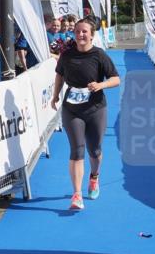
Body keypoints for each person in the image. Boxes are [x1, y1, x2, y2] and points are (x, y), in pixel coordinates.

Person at [51, 17, 121, 211]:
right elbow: (60, 75)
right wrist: (55, 95)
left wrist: (101, 85)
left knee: (95, 150)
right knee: (77, 150)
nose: (81, 35)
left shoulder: (99, 55)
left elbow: (116, 79)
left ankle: (94, 177)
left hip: (95, 108)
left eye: (84, 32)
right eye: (78, 31)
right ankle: (77, 194)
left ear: (92, 35)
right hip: (72, 108)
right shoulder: (67, 55)